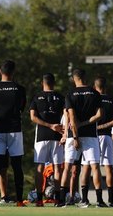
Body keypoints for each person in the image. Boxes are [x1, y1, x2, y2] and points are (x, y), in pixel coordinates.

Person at [0, 60, 27, 207]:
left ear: (0, 71)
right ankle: (19, 200)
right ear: (13, 72)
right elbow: (22, 107)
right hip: (15, 130)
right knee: (17, 166)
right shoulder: (20, 89)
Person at [63, 68, 105, 208]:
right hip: (91, 134)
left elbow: (72, 118)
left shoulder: (70, 94)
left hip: (73, 135)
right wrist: (85, 123)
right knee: (94, 167)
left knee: (67, 167)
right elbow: (99, 115)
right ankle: (99, 200)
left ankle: (64, 200)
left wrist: (75, 136)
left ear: (74, 78)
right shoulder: (94, 93)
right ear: (84, 77)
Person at [29, 73, 65, 207]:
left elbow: (32, 117)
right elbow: (67, 114)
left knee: (39, 167)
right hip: (57, 135)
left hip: (42, 136)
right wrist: (64, 132)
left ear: (42, 83)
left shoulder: (37, 97)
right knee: (57, 167)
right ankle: (57, 199)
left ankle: (39, 199)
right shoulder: (60, 97)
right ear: (54, 83)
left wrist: (49, 125)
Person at [93, 76, 113, 207]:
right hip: (107, 136)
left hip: (92, 136)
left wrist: (96, 127)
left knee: (92, 167)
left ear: (94, 87)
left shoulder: (92, 98)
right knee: (109, 168)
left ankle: (94, 199)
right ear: (105, 87)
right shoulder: (111, 100)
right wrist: (104, 127)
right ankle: (111, 200)